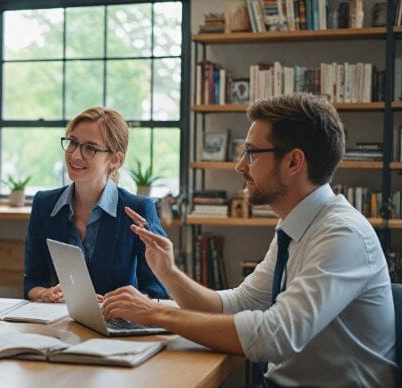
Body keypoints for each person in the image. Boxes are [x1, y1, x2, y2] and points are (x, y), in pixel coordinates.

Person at [102, 93, 397, 386]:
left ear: (294, 161)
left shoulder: (341, 235)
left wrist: (156, 313)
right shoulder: (296, 225)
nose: (240, 166)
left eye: (252, 153)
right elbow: (239, 303)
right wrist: (167, 272)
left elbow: (276, 336)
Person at [23, 107, 168, 303]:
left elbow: (158, 290)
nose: (75, 155)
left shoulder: (138, 209)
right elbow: (32, 282)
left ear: (116, 160)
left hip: (120, 324)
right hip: (63, 321)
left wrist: (127, 302)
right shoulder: (44, 204)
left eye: (90, 148)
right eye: (73, 142)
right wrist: (46, 294)